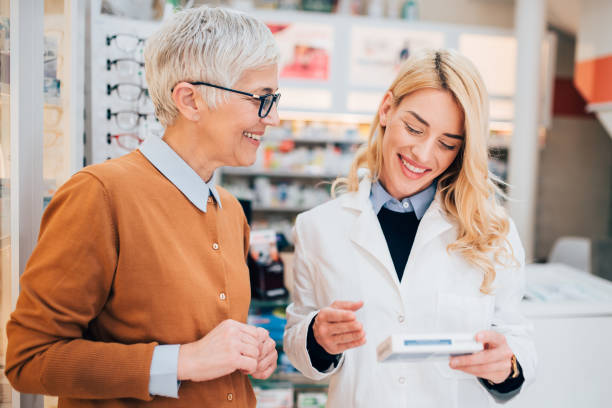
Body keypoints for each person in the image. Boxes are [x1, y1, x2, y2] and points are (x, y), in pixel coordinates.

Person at [5, 6, 281, 407]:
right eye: (261, 99)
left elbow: (212, 348)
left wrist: (249, 351)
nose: (273, 117)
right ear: (190, 100)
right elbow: (30, 360)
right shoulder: (100, 195)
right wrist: (182, 361)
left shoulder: (231, 211)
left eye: (274, 98)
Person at [283, 49, 536, 407]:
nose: (423, 153)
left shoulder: (492, 230)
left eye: (447, 143)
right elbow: (297, 342)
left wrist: (505, 365)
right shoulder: (318, 228)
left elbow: (517, 338)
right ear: (387, 109)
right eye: (414, 128)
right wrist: (316, 338)